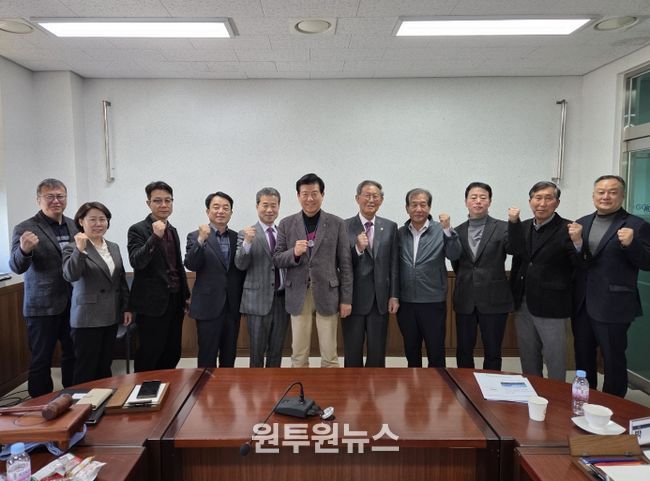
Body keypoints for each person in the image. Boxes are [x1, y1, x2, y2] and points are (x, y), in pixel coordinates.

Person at [571, 175, 650, 397]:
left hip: (614, 304)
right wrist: (577, 243)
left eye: (613, 192)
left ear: (622, 196)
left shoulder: (636, 225)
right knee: (583, 356)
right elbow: (580, 263)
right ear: (593, 195)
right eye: (601, 192)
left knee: (613, 358)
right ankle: (584, 399)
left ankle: (613, 405)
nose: (606, 196)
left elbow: (647, 262)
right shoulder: (582, 223)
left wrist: (631, 244)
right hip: (583, 303)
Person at [273, 173, 353, 368]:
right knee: (299, 354)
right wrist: (294, 253)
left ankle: (330, 387)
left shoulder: (337, 223)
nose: (310, 198)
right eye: (305, 194)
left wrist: (346, 299)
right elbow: (277, 259)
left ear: (322, 195)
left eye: (314, 193)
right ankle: (299, 388)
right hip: (298, 293)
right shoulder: (286, 223)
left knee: (330, 354)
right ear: (298, 196)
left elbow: (345, 264)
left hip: (328, 291)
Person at [9, 178, 76, 397]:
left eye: (60, 196)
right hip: (41, 307)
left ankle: (72, 398)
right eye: (50, 196)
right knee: (41, 359)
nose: (56, 201)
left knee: (72, 354)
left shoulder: (75, 225)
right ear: (39, 200)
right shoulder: (25, 228)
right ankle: (39, 405)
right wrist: (24, 250)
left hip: (73, 303)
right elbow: (16, 266)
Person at [508, 181, 577, 381]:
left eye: (548, 198)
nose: (542, 203)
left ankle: (556, 394)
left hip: (553, 304)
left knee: (555, 356)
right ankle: (533, 390)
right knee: (528, 354)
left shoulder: (568, 228)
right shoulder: (522, 226)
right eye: (538, 198)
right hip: (523, 301)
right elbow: (516, 257)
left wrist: (579, 242)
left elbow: (579, 265)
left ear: (557, 203)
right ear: (530, 201)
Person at [62, 202, 132, 384]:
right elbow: (70, 275)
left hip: (111, 314)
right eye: (92, 219)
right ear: (81, 221)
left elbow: (120, 279)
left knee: (104, 364)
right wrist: (80, 250)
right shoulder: (72, 247)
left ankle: (103, 398)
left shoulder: (113, 247)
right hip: (87, 317)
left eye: (102, 219)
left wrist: (126, 307)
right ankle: (83, 401)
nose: (98, 224)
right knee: (86, 367)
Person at [127, 181, 189, 372]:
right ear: (149, 203)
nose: (164, 205)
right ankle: (143, 388)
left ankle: (165, 386)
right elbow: (137, 262)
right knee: (150, 352)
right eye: (158, 201)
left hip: (174, 300)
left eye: (168, 200)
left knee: (172, 351)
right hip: (151, 304)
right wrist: (155, 237)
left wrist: (185, 296)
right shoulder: (137, 229)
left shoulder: (172, 230)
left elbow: (177, 266)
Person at [397, 188, 461, 367]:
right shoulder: (400, 233)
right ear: (407, 208)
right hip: (406, 301)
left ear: (429, 207)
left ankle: (438, 384)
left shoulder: (441, 230)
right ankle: (414, 384)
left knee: (436, 351)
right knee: (411, 350)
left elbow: (455, 254)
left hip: (433, 301)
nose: (418, 209)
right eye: (414, 205)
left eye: (423, 205)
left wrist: (448, 230)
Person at [452, 182, 513, 371]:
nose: (478, 201)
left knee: (493, 350)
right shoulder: (457, 231)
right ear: (466, 201)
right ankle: (464, 385)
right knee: (464, 350)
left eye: (483, 197)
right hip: (465, 299)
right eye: (473, 197)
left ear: (490, 201)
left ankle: (491, 386)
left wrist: (515, 224)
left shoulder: (503, 227)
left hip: (494, 299)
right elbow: (456, 263)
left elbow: (514, 249)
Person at [185, 192, 244, 368]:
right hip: (207, 306)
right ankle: (206, 386)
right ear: (207, 211)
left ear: (231, 213)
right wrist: (201, 240)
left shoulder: (237, 237)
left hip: (232, 306)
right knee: (207, 356)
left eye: (226, 208)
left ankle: (225, 386)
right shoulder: (195, 235)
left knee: (229, 356)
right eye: (216, 207)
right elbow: (191, 264)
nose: (221, 211)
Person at [344, 180, 399, 367]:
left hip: (380, 300)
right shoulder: (344, 226)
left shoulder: (390, 227)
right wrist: (357, 249)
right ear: (357, 198)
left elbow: (394, 264)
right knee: (352, 353)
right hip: (353, 300)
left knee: (377, 354)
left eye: (375, 196)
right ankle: (352, 386)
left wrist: (394, 295)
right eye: (367, 196)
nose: (371, 200)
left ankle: (375, 385)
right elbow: (340, 264)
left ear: (381, 200)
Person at [235, 187, 289, 367]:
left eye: (274, 205)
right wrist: (247, 242)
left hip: (282, 301)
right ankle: (255, 385)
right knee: (257, 353)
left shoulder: (284, 233)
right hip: (257, 302)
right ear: (257, 206)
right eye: (265, 205)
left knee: (276, 351)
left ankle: (275, 384)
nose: (269, 210)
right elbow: (240, 264)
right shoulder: (246, 233)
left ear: (279, 207)